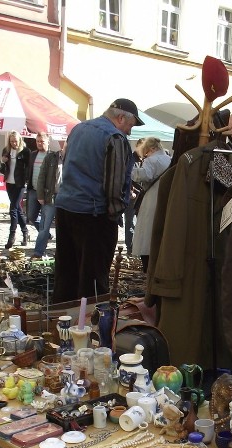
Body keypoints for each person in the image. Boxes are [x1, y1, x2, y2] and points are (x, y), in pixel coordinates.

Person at [52, 98, 143, 302]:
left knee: (67, 272)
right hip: (93, 214)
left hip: (66, 207)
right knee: (93, 277)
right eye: (130, 125)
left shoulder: (78, 128)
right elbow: (115, 183)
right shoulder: (115, 137)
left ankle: (62, 319)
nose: (130, 131)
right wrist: (115, 213)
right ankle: (91, 323)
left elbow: (67, 165)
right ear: (120, 118)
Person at [130, 137, 171, 272]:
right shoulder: (168, 159)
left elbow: (144, 175)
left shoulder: (151, 160)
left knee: (147, 235)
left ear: (151, 149)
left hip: (152, 198)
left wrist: (132, 172)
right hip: (165, 197)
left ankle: (148, 267)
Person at [31, 139, 64, 260]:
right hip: (51, 196)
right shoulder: (51, 157)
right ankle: (38, 252)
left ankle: (61, 254)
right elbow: (42, 177)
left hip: (65, 199)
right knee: (44, 227)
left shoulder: (73, 160)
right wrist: (40, 195)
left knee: (63, 228)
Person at [0, 131, 30, 249]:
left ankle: (11, 236)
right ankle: (25, 231)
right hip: (9, 182)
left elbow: (28, 168)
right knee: (17, 208)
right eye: (12, 141)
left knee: (13, 208)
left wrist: (27, 181)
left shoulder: (25, 151)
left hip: (20, 183)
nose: (14, 143)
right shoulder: (6, 150)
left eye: (16, 141)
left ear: (20, 140)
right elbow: (3, 166)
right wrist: (3, 161)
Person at [26, 132, 51, 235]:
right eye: (38, 141)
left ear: (48, 142)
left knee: (45, 217)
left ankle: (43, 236)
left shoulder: (52, 156)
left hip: (46, 191)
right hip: (33, 189)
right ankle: (46, 234)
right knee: (31, 216)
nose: (40, 143)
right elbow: (29, 170)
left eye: (42, 141)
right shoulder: (33, 154)